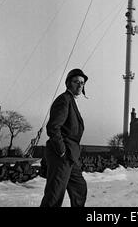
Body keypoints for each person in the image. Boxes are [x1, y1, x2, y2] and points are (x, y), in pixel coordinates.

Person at [40, 68, 88, 207]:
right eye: (76, 82)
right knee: (54, 196)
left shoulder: (72, 100)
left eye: (82, 83)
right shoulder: (64, 100)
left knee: (79, 189)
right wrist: (62, 151)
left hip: (71, 156)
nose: (80, 85)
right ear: (68, 83)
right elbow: (53, 127)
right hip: (60, 155)